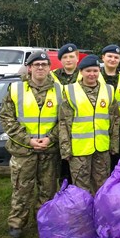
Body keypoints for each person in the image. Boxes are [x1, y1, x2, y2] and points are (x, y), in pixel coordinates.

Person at [0, 51, 62, 238]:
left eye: (44, 64)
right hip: (23, 151)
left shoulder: (60, 90)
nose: (40, 68)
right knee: (21, 189)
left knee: (48, 190)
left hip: (49, 150)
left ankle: (43, 221)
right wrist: (28, 140)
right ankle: (17, 223)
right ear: (30, 68)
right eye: (37, 65)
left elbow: (65, 120)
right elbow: (6, 118)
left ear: (50, 68)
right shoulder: (16, 89)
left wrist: (51, 138)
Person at [59, 55, 120, 193]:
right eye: (88, 71)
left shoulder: (109, 90)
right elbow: (64, 123)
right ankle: (83, 214)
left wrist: (114, 146)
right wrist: (65, 149)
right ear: (80, 72)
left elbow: (115, 120)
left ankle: (99, 213)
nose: (92, 74)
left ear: (99, 71)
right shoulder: (69, 91)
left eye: (95, 71)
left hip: (102, 148)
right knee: (81, 188)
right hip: (79, 150)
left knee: (102, 186)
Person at [51, 43, 80, 184]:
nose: (68, 60)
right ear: (60, 60)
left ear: (77, 58)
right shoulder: (52, 76)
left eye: (71, 56)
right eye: (65, 57)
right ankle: (63, 193)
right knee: (61, 164)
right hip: (57, 125)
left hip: (78, 125)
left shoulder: (85, 74)